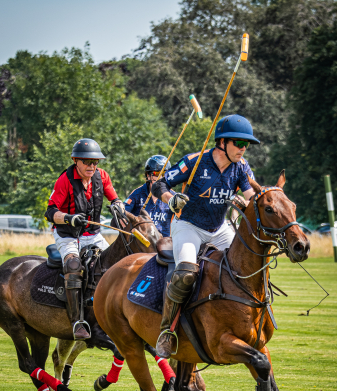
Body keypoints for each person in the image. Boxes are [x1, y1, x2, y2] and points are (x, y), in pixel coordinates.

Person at [151, 114, 259, 358]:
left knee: (247, 262)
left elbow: (252, 195)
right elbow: (160, 184)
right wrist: (172, 199)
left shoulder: (241, 167)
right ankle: (167, 331)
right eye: (239, 143)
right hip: (188, 225)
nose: (243, 148)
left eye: (246, 145)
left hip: (219, 228)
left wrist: (246, 204)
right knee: (186, 273)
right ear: (222, 142)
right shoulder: (195, 161)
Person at [45, 138, 125, 340]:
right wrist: (69, 218)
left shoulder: (102, 177)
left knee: (117, 264)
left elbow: (114, 199)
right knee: (73, 265)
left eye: (95, 162)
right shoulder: (65, 180)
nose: (92, 166)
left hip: (93, 235)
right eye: (87, 162)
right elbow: (50, 212)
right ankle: (77, 322)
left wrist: (118, 207)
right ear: (75, 160)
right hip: (68, 235)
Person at [124, 155, 175, 237]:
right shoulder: (137, 194)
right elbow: (124, 212)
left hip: (163, 243)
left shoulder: (173, 197)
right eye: (157, 174)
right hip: (142, 242)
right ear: (148, 175)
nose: (161, 178)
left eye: (164, 174)